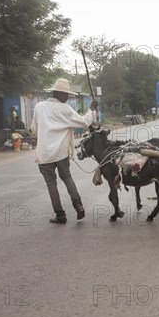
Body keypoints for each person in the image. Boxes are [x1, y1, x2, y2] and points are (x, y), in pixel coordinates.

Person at [30, 78, 98, 224]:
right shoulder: (65, 109)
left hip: (44, 154)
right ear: (58, 94)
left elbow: (34, 129)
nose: (67, 97)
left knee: (51, 184)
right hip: (61, 152)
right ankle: (78, 205)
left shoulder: (39, 107)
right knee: (67, 177)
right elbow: (84, 122)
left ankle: (60, 215)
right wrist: (91, 109)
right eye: (66, 94)